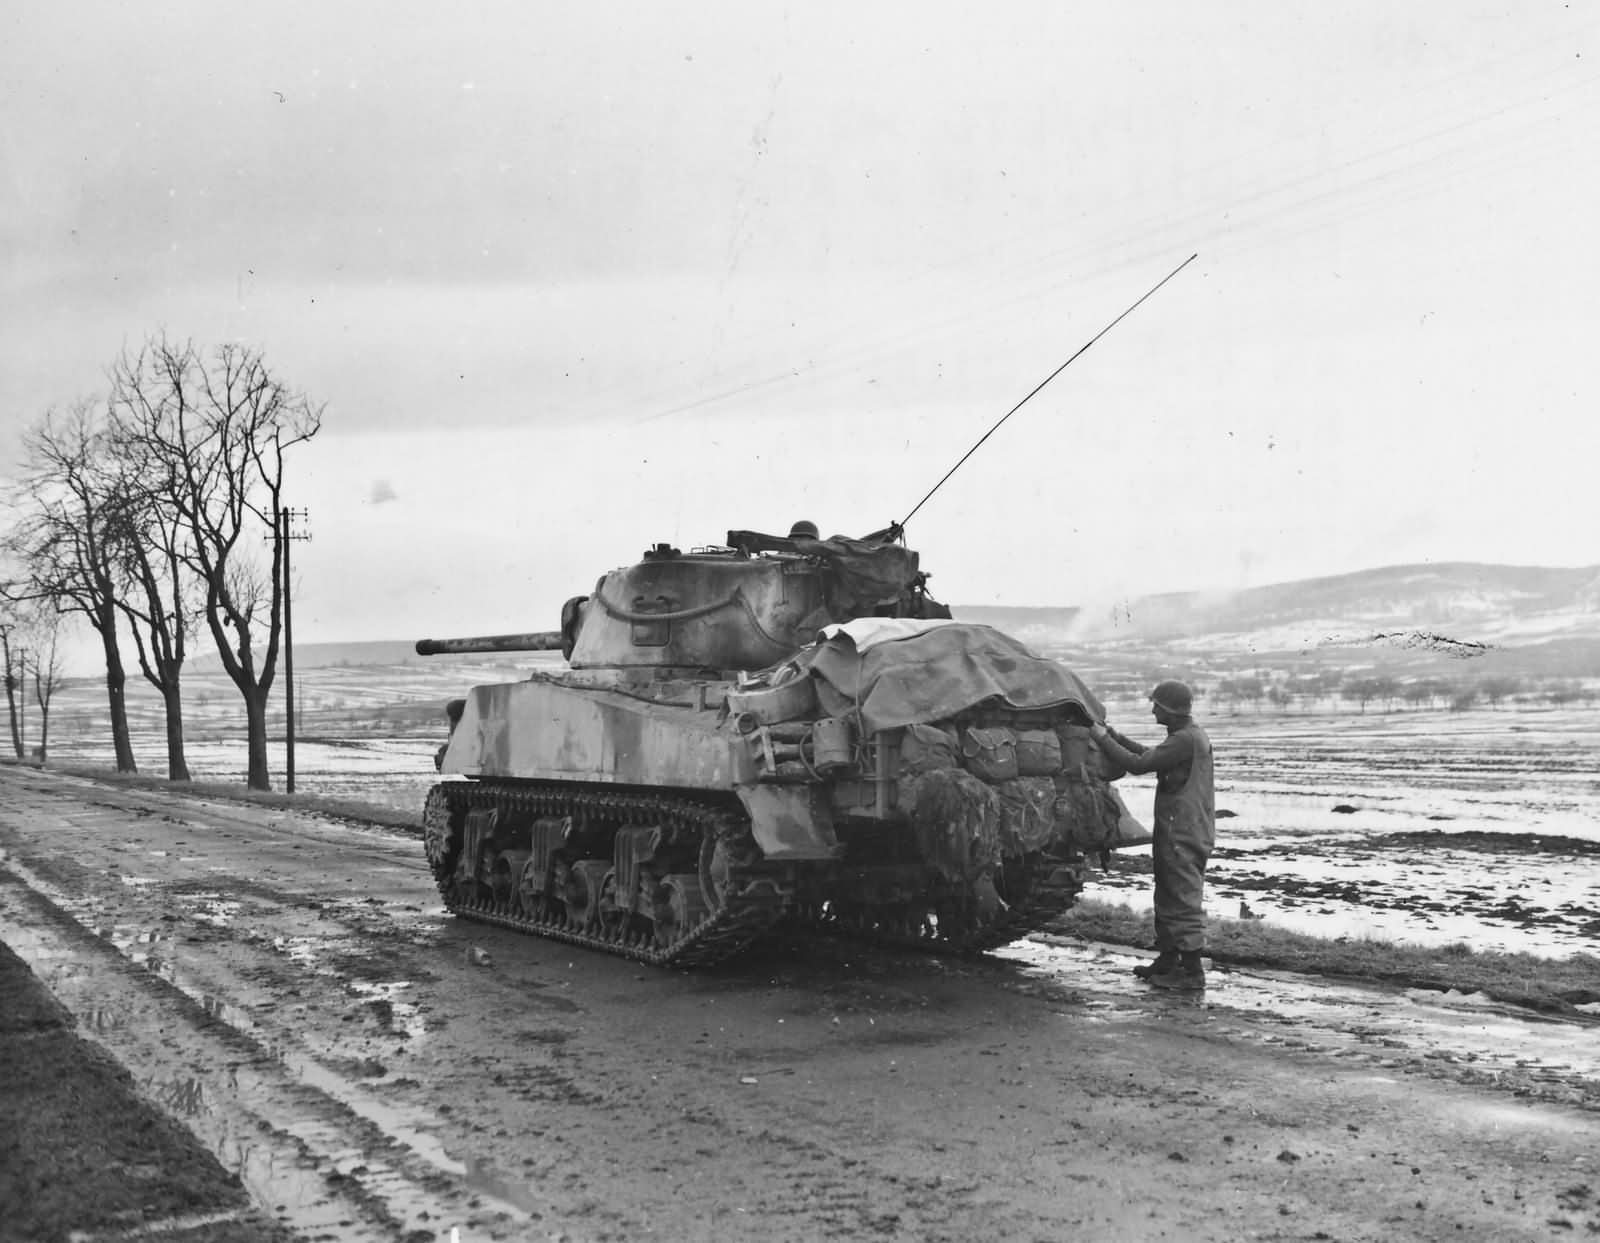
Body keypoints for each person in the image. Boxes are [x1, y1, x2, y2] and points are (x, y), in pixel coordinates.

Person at [1089, 680, 1215, 990]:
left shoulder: (1184, 739)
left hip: (1182, 831)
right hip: (1181, 828)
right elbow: (1152, 755)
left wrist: (1102, 738)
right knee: (1168, 895)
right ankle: (1168, 961)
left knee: (1181, 898)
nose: (1153, 709)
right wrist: (1116, 737)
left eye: (1157, 704)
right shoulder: (1187, 736)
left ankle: (1191, 972)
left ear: (1170, 709)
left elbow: (1139, 764)